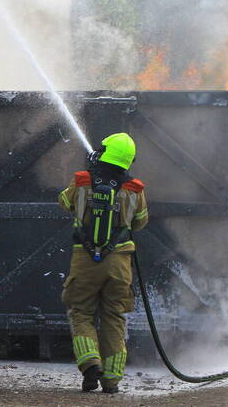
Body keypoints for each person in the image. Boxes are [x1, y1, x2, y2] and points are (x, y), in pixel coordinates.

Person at [57, 132, 149, 394]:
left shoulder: (82, 180)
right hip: (119, 262)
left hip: (85, 260)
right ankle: (111, 380)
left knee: (81, 312)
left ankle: (90, 364)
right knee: (114, 317)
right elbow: (140, 222)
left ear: (106, 152)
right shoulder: (135, 188)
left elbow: (64, 202)